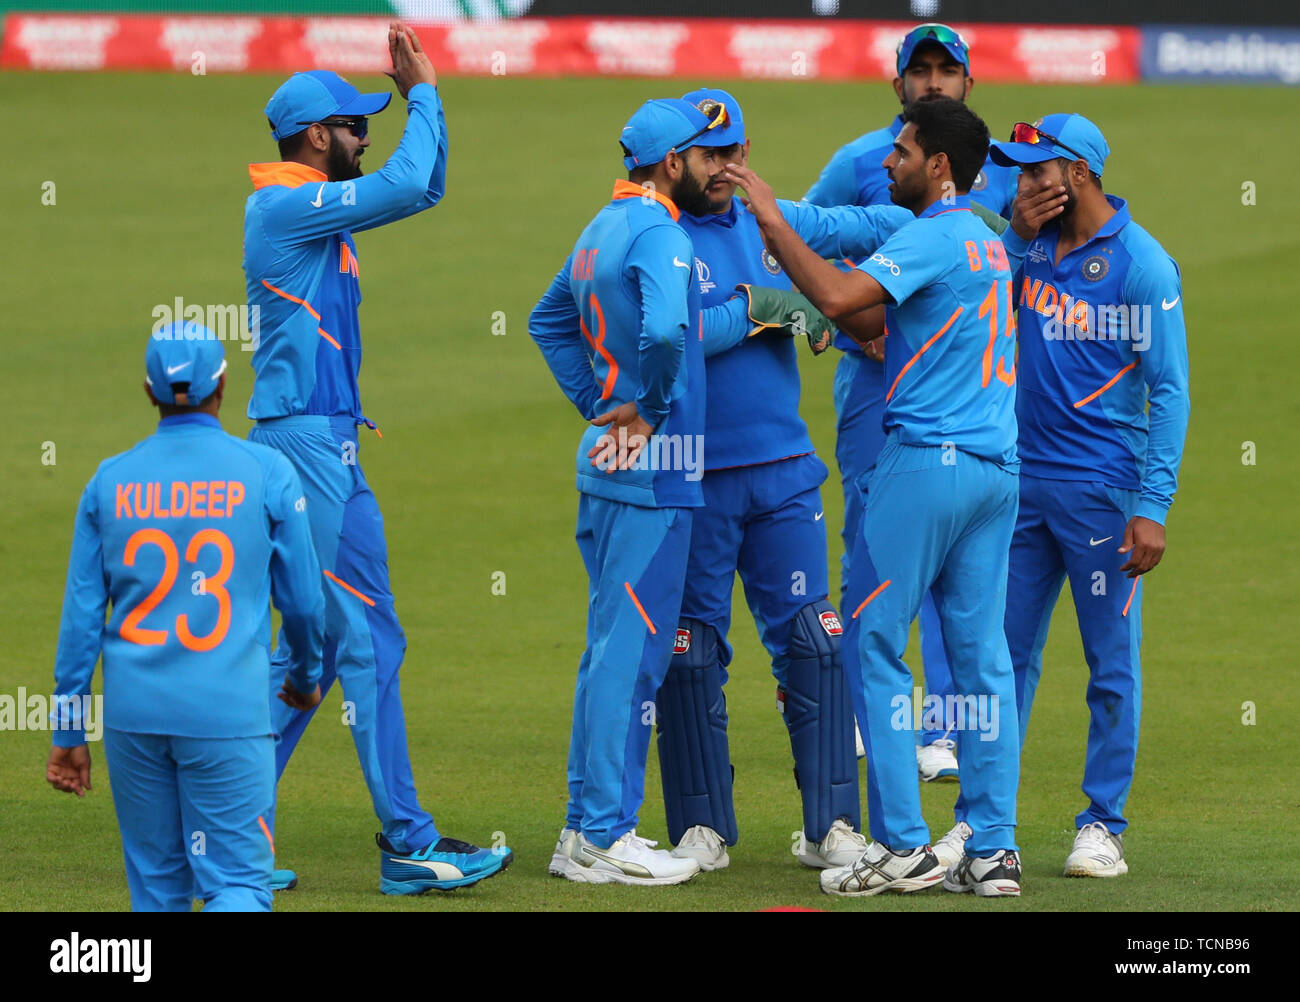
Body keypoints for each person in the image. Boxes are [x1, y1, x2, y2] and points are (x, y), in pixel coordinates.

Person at [723, 96, 1023, 897]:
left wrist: (769, 222)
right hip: (998, 472)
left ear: (939, 166)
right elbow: (888, 312)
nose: (887, 161)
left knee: (875, 645)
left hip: (926, 466)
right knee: (983, 659)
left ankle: (903, 845)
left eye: (902, 151)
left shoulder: (928, 234)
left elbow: (835, 299)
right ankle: (993, 846)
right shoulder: (985, 243)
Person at [242, 22, 511, 894]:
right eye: (356, 124)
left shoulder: (316, 209)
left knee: (336, 650)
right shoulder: (286, 205)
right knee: (340, 646)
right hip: (303, 445)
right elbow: (403, 179)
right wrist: (424, 90)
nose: (367, 133)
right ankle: (403, 843)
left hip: (331, 445)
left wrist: (427, 104)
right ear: (315, 137)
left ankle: (227, 838)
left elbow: (421, 189)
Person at [654, 87, 886, 874]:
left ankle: (831, 826)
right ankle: (701, 830)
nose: (725, 168)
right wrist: (772, 306)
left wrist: (990, 231)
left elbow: (880, 228)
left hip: (784, 471)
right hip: (693, 476)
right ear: (676, 159)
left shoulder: (776, 222)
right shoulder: (653, 233)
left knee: (814, 642)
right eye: (710, 155)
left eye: (735, 154)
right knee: (690, 650)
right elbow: (679, 331)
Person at [47, 325, 324, 912]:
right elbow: (301, 602)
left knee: (157, 890)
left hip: (134, 717)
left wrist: (68, 729)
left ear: (148, 392)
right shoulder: (267, 472)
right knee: (238, 885)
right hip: (227, 713)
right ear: (222, 386)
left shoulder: (108, 482)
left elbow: (79, 623)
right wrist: (304, 676)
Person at [805, 22, 1015, 794]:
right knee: (876, 553)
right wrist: (840, 320)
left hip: (956, 398)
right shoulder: (863, 163)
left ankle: (938, 734)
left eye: (945, 70)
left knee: (945, 570)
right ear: (897, 84)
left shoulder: (979, 170)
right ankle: (877, 718)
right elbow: (812, 235)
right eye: (918, 70)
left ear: (968, 83)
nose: (931, 81)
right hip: (877, 391)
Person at [990, 114, 1190, 878]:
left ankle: (1101, 825)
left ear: (1076, 173)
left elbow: (1170, 393)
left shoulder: (1142, 265)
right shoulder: (1025, 245)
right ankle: (988, 825)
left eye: (1036, 171)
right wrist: (1011, 237)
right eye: (1017, 171)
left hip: (1104, 493)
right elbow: (983, 313)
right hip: (1016, 485)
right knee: (999, 661)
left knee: (1110, 665)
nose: (1022, 184)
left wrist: (1153, 506)